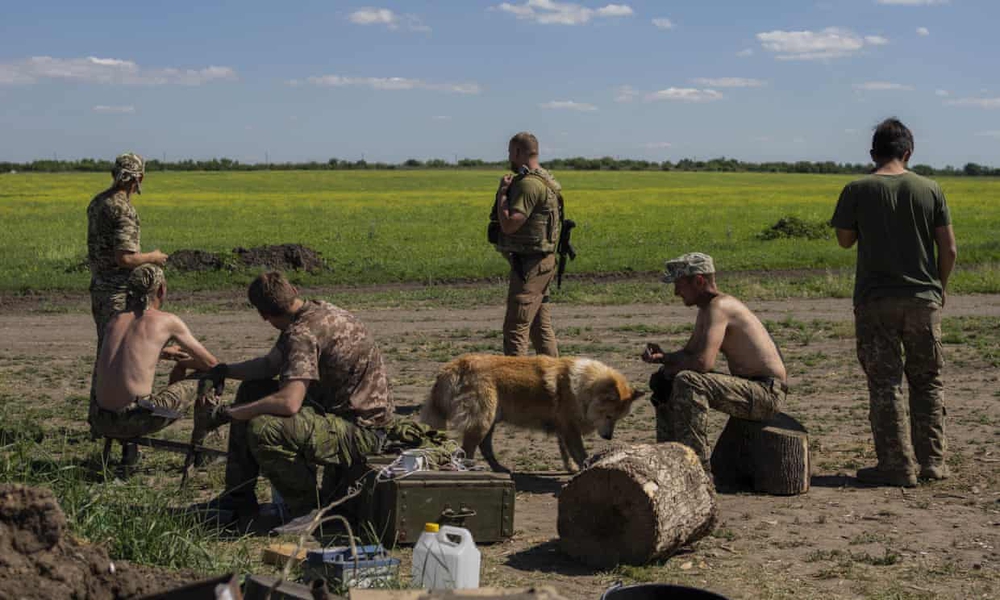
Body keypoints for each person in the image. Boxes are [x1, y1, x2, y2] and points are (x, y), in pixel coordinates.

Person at [197, 271, 448, 521]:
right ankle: (238, 498)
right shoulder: (316, 311)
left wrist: (229, 414)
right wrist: (225, 370)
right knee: (252, 389)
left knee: (264, 428)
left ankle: (306, 510)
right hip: (355, 416)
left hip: (362, 431)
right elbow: (269, 365)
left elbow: (289, 402)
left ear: (263, 315)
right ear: (294, 291)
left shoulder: (301, 333)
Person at [832, 118, 957, 487]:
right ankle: (932, 461)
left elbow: (844, 240)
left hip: (875, 301)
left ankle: (896, 464)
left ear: (873, 153)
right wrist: (940, 287)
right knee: (928, 380)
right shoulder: (930, 188)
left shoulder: (857, 188)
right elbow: (948, 249)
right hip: (923, 299)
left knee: (885, 384)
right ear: (908, 152)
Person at [641, 253, 787, 470]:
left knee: (689, 381)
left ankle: (697, 468)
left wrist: (674, 367)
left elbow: (703, 363)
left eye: (679, 284)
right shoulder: (707, 309)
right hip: (753, 388)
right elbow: (689, 354)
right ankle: (670, 460)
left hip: (767, 393)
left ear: (698, 281)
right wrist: (664, 360)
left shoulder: (719, 307)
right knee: (665, 379)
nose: (676, 292)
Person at [87, 152, 171, 435]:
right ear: (139, 178)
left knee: (105, 353)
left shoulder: (98, 202)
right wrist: (154, 257)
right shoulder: (124, 209)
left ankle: (98, 417)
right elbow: (125, 258)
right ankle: (117, 419)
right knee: (119, 354)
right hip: (118, 291)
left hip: (99, 286)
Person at [91, 265, 219, 441]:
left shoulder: (114, 319)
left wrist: (163, 352)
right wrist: (182, 363)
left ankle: (129, 455)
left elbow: (126, 354)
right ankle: (203, 446)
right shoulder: (168, 321)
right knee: (210, 375)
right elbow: (211, 363)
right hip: (135, 419)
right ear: (161, 289)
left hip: (101, 418)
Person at [492, 132, 561, 357]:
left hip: (530, 266)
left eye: (511, 152)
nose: (509, 156)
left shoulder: (529, 185)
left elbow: (511, 224)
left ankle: (514, 385)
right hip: (543, 262)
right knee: (539, 328)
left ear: (519, 152)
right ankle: (553, 383)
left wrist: (503, 194)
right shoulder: (545, 179)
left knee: (515, 328)